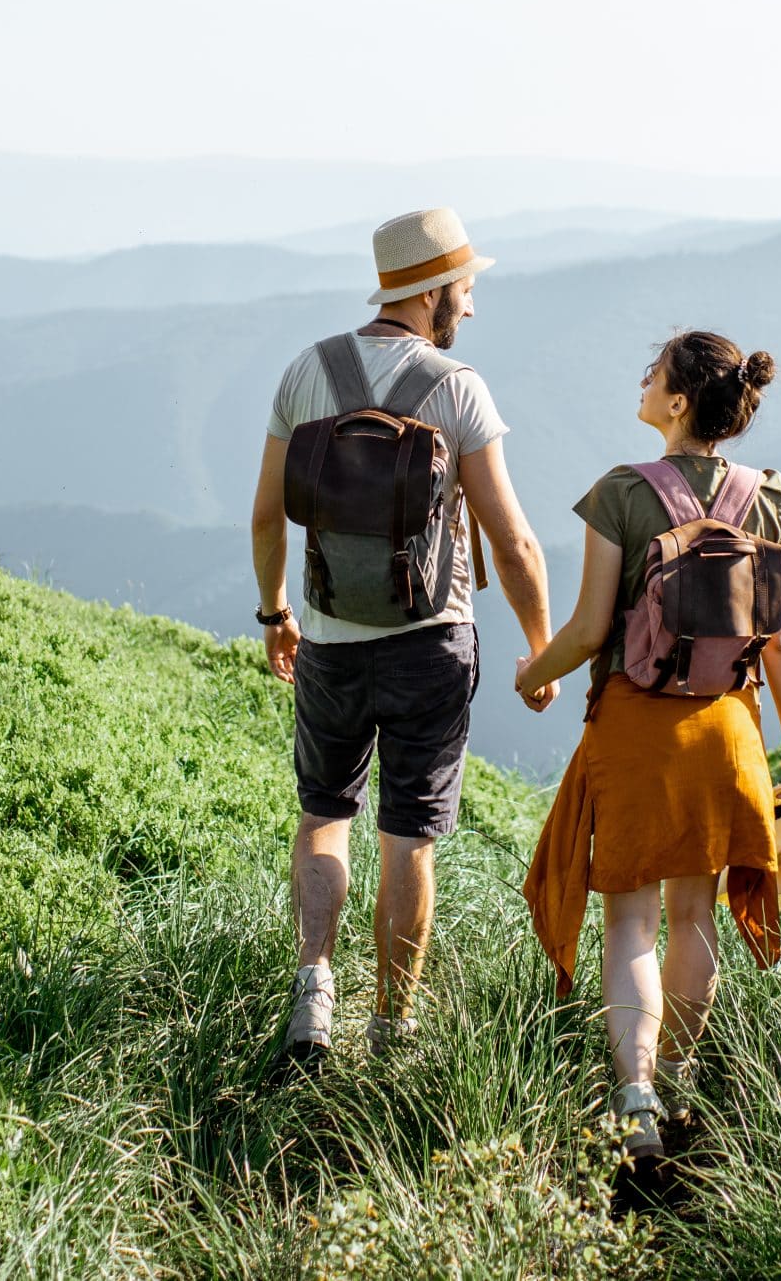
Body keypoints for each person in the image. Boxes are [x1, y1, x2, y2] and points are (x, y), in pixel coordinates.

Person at [249, 207, 555, 1059]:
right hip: (431, 640)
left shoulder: (307, 372)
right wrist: (541, 646)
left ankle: (314, 989)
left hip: (331, 639)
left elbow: (267, 516)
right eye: (465, 287)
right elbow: (513, 537)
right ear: (433, 292)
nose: (470, 304)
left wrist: (277, 612)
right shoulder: (456, 387)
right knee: (408, 834)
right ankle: (392, 1023)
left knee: (322, 815)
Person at [514, 330, 781, 1161]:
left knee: (631, 923)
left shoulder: (620, 492)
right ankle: (677, 1076)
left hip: (638, 724)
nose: (642, 381)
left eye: (653, 373)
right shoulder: (770, 496)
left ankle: (635, 1094)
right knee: (695, 914)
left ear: (678, 402)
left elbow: (588, 628)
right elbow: (780, 637)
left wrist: (528, 673)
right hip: (728, 725)